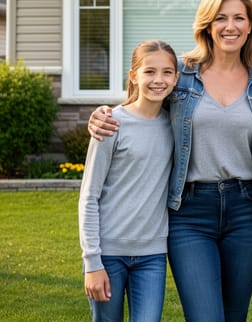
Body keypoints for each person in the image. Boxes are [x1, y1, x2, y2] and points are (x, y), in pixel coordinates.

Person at [88, 0, 252, 322]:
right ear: (207, 24)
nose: (230, 26)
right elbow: (142, 103)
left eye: (238, 18)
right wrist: (104, 114)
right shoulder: (183, 74)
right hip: (190, 212)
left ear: (250, 26)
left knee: (234, 315)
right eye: (220, 18)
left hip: (247, 210)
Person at [79, 39, 178, 322]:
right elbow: (89, 196)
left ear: (176, 77)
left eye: (167, 72)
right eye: (149, 72)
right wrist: (92, 262)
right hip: (108, 254)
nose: (158, 80)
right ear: (134, 76)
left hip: (153, 255)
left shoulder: (176, 126)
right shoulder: (111, 124)